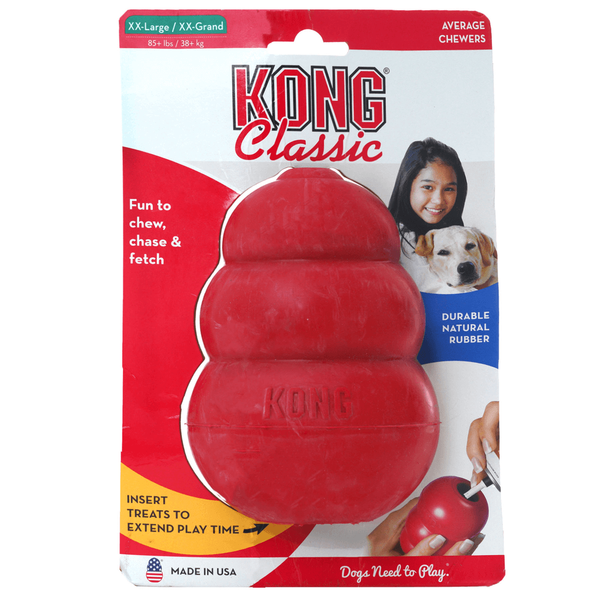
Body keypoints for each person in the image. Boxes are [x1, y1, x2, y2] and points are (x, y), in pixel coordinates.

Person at [388, 138, 468, 289]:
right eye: (428, 187)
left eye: (449, 189)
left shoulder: (460, 238)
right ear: (407, 185)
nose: (438, 200)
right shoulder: (397, 240)